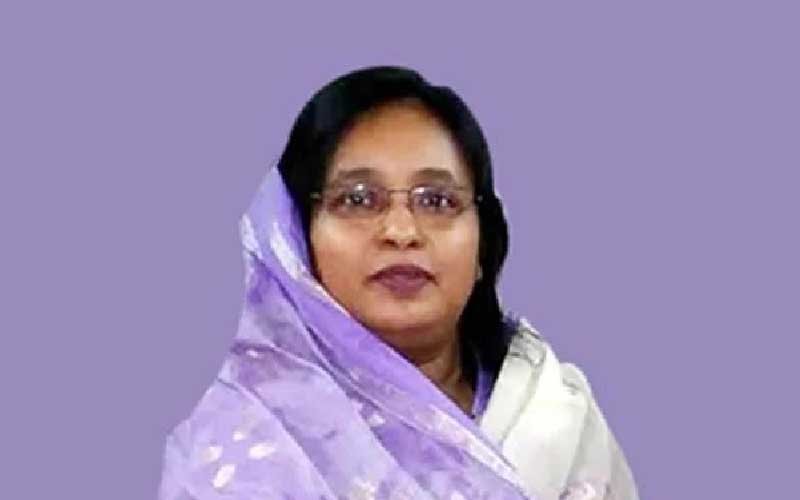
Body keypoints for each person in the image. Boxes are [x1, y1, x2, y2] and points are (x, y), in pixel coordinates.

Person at [158, 66, 638, 499]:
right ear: (296, 242)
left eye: (437, 201)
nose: (401, 231)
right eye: (358, 199)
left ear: (482, 244)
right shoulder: (240, 437)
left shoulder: (557, 419)